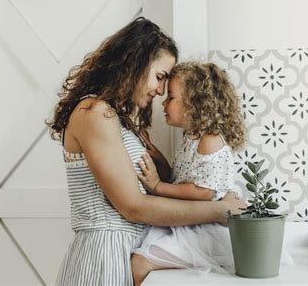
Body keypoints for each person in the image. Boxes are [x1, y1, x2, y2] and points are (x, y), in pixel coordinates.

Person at [46, 17, 245, 286]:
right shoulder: (94, 113)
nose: (160, 90)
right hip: (104, 258)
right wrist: (219, 211)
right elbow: (134, 207)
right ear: (134, 65)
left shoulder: (115, 117)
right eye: (159, 77)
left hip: (129, 252)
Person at [131, 62, 246, 285]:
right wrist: (158, 158)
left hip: (206, 226)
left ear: (195, 104)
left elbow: (202, 192)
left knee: (139, 263)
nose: (163, 102)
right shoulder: (191, 138)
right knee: (140, 258)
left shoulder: (209, 139)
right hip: (193, 220)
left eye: (171, 97)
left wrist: (157, 187)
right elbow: (179, 179)